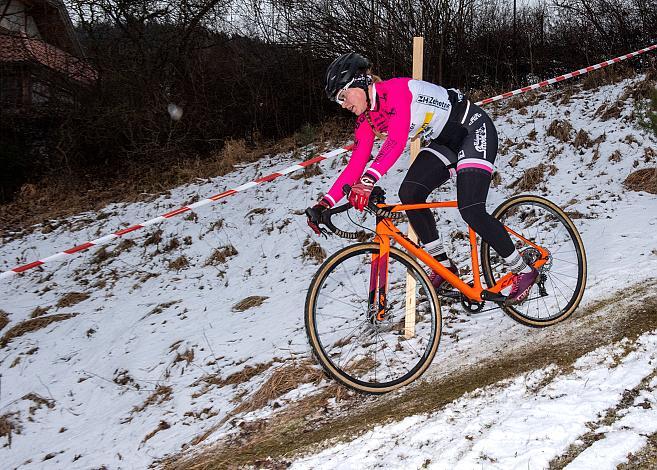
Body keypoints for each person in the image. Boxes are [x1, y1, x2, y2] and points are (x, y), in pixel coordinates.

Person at [306, 52, 538, 304]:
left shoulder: (395, 91)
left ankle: (523, 270)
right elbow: (355, 165)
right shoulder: (366, 120)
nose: (343, 105)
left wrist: (369, 180)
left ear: (360, 82)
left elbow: (396, 141)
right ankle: (443, 266)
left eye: (343, 96)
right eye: (338, 101)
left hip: (472, 128)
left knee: (470, 208)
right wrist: (325, 203)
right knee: (410, 194)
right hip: (445, 142)